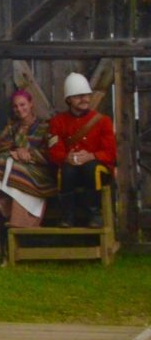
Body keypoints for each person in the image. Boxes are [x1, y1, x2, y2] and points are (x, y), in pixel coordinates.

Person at [48, 72, 118, 228]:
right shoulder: (58, 122)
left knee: (90, 168)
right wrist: (67, 157)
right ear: (69, 100)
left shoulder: (103, 121)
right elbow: (54, 152)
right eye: (79, 96)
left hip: (96, 169)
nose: (85, 99)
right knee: (67, 170)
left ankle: (95, 215)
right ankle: (68, 217)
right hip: (70, 169)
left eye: (86, 95)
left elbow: (110, 153)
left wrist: (91, 156)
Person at [0, 88, 56, 228]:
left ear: (30, 104)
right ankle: (10, 208)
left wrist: (29, 154)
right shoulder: (13, 128)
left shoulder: (44, 126)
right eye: (15, 106)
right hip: (18, 169)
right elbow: (1, 149)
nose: (19, 109)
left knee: (17, 169)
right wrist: (15, 151)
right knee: (2, 162)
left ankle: (25, 220)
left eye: (22, 105)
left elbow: (50, 154)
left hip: (39, 172)